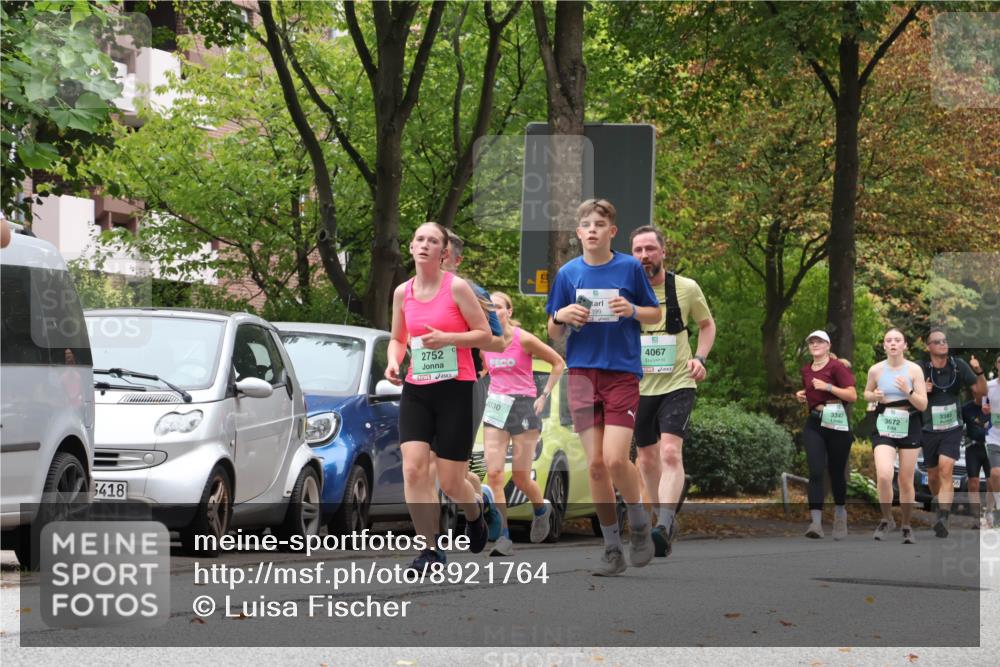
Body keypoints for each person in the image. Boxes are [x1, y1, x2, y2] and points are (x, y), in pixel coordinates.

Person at [546, 198, 660, 576]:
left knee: (614, 458)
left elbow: (654, 312)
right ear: (578, 233)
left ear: (611, 231)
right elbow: (553, 328)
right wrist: (560, 315)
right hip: (581, 374)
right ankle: (612, 547)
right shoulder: (567, 273)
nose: (592, 229)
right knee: (595, 466)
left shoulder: (628, 267)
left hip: (620, 372)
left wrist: (632, 310)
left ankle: (640, 523)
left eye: (600, 224)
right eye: (586, 225)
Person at [385, 222, 493, 571]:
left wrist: (448, 338)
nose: (425, 245)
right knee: (414, 469)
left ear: (444, 252)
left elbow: (485, 334)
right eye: (419, 239)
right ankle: (429, 550)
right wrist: (393, 362)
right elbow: (398, 338)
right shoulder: (403, 292)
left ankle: (475, 509)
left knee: (450, 482)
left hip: (455, 389)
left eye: (433, 241)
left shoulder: (457, 288)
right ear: (412, 246)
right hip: (417, 389)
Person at [629, 225, 716, 557]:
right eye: (638, 250)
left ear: (663, 252)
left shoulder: (685, 288)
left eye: (650, 249)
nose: (644, 256)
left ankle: (665, 522)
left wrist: (700, 358)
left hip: (678, 382)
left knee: (669, 454)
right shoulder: (625, 291)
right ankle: (657, 519)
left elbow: (707, 325)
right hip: (638, 387)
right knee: (646, 459)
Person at [480, 291, 566, 556]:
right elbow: (481, 371)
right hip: (496, 406)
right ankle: (503, 537)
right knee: (494, 474)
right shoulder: (484, 342)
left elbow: (558, 363)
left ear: (509, 312)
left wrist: (544, 396)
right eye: (488, 308)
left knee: (519, 476)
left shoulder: (524, 339)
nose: (493, 311)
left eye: (498, 307)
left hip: (523, 406)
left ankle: (541, 508)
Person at [918, 328, 987, 537]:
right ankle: (940, 503)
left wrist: (979, 371)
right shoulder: (920, 369)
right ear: (928, 347)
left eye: (944, 340)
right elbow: (908, 394)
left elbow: (981, 392)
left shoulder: (958, 366)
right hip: (928, 428)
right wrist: (921, 389)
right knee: (932, 476)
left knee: (946, 468)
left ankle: (943, 518)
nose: (942, 344)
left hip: (952, 427)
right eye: (937, 341)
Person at [863, 328, 929, 544]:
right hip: (884, 423)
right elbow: (866, 394)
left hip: (909, 422)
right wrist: (874, 396)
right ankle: (886, 518)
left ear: (905, 345)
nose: (892, 343)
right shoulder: (876, 370)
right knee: (883, 474)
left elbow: (923, 404)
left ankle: (907, 524)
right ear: (884, 346)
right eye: (888, 340)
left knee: (905, 480)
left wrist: (907, 390)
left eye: (897, 340)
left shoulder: (914, 370)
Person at [794, 330, 857, 540]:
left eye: (819, 341)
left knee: (836, 472)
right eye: (811, 342)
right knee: (815, 470)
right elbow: (813, 390)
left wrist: (827, 386)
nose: (814, 345)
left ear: (828, 345)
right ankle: (816, 523)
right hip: (815, 423)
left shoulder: (837, 367)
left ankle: (840, 514)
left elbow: (852, 395)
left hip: (837, 422)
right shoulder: (806, 369)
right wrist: (804, 395)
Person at [961, 398, 991, 527]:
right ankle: (976, 518)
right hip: (973, 448)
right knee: (973, 484)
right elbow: (957, 424)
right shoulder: (966, 408)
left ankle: (990, 513)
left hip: (991, 448)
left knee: (993, 483)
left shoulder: (995, 404)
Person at [981, 354, 1000, 529]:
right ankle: (994, 510)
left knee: (994, 480)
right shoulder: (989, 385)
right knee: (995, 474)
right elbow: (984, 407)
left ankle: (989, 508)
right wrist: (986, 409)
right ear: (997, 365)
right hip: (994, 436)